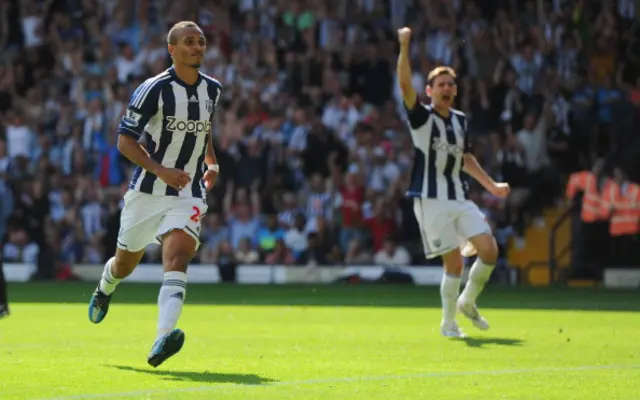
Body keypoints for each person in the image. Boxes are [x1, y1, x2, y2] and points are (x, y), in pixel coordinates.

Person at [87, 21, 222, 367]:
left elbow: (204, 128)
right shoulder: (153, 89)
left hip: (189, 189)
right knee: (124, 264)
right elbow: (124, 140)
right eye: (189, 42)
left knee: (178, 258)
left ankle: (162, 337)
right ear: (172, 49)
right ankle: (105, 287)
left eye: (201, 42)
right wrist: (161, 170)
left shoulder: (213, 90)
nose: (197, 47)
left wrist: (211, 162)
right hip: (148, 190)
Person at [396, 27, 510, 338]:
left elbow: (466, 159)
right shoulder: (421, 118)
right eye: (440, 84)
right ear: (429, 91)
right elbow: (405, 84)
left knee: (489, 250)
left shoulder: (460, 120)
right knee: (455, 263)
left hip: (459, 196)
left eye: (451, 84)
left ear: (455, 91)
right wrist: (405, 46)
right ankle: (448, 323)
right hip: (431, 199)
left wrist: (492, 187)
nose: (446, 88)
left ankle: (467, 302)